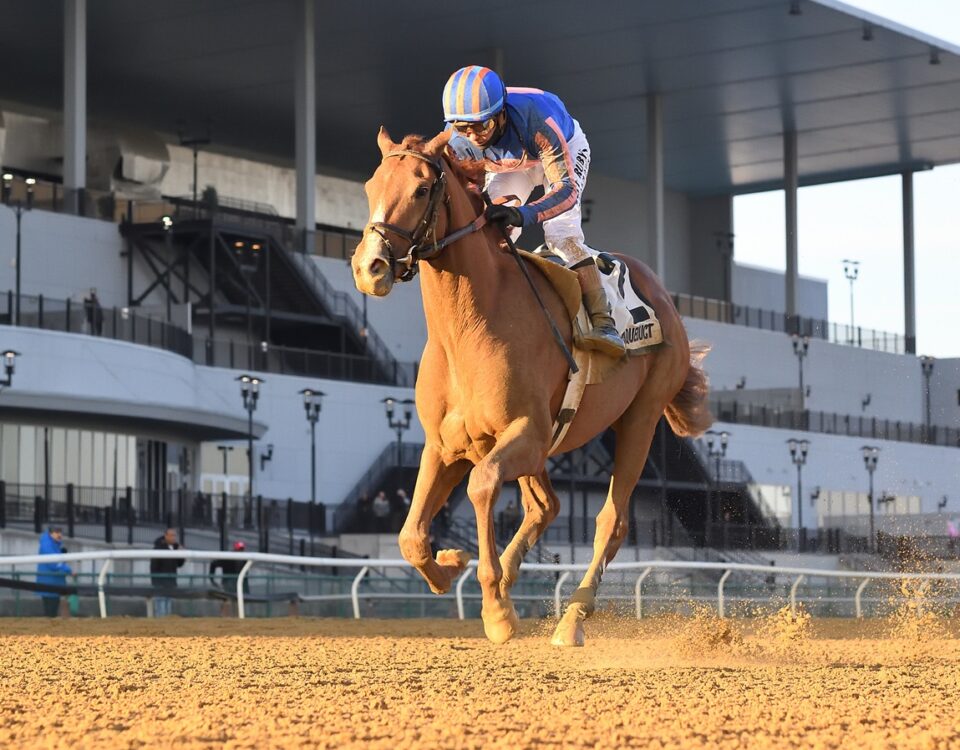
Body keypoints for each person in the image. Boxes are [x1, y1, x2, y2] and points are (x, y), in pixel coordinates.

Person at [442, 65, 626, 357]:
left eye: (482, 126)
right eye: (464, 128)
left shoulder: (537, 119)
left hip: (561, 151)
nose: (473, 136)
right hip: (512, 164)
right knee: (493, 230)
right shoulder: (455, 138)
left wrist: (523, 214)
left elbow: (565, 192)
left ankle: (603, 321)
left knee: (561, 235)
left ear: (501, 113)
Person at [36, 526, 72, 617]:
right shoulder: (48, 545)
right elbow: (53, 563)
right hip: (50, 583)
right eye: (56, 532)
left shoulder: (53, 544)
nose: (59, 535)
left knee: (52, 612)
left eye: (60, 532)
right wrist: (68, 570)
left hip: (52, 583)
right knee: (51, 613)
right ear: (50, 533)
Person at [150, 528, 185, 617]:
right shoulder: (158, 548)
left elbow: (179, 564)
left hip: (171, 581)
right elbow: (154, 566)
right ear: (166, 536)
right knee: (160, 606)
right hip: (160, 583)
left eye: (174, 536)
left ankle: (166, 623)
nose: (174, 538)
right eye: (171, 535)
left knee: (168, 605)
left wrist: (182, 554)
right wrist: (155, 581)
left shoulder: (175, 548)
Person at [210, 541, 249, 615]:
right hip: (228, 586)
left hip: (240, 587)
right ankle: (224, 619)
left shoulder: (245, 559)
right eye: (239, 550)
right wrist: (212, 579)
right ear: (235, 550)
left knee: (239, 602)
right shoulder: (228, 558)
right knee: (227, 601)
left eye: (241, 550)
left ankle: (237, 618)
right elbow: (213, 563)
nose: (240, 552)